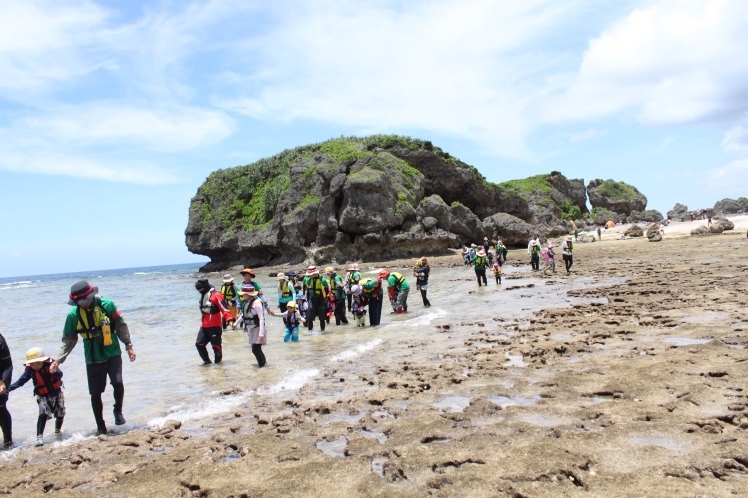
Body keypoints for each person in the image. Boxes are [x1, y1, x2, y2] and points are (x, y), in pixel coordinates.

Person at [52, 281, 136, 435]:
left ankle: (118, 411)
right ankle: (101, 426)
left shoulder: (107, 304)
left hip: (112, 352)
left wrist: (128, 345)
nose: (83, 304)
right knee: (95, 393)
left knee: (117, 382)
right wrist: (58, 360)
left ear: (91, 295)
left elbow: (120, 325)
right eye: (79, 302)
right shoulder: (73, 315)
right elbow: (69, 339)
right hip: (92, 357)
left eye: (85, 300)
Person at [8, 348, 64, 447]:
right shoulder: (30, 370)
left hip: (57, 393)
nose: (36, 366)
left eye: (38, 363)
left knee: (60, 414)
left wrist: (54, 372)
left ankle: (57, 431)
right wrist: (7, 389)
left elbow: (60, 375)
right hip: (42, 396)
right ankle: (39, 438)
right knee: (42, 415)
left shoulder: (50, 365)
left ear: (43, 360)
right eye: (33, 364)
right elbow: (21, 382)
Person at [194, 279, 233, 366]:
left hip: (215, 326)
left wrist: (229, 320)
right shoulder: (204, 296)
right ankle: (207, 362)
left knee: (216, 348)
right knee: (199, 344)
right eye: (198, 290)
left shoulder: (216, 295)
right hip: (204, 326)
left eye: (201, 289)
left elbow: (224, 308)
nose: (200, 292)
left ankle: (219, 367)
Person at [239, 286, 268, 367]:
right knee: (257, 349)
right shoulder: (248, 302)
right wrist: (235, 323)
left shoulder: (257, 303)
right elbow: (244, 316)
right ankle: (264, 365)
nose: (243, 296)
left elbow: (261, 318)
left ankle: (262, 367)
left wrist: (261, 333)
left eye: (244, 294)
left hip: (258, 329)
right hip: (251, 329)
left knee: (255, 349)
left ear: (248, 294)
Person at [302, 266, 330, 332]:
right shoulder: (308, 280)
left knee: (322, 317)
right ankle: (310, 331)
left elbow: (326, 290)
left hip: (321, 299)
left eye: (310, 275)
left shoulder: (323, 280)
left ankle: (322, 330)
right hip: (312, 299)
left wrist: (326, 299)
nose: (310, 276)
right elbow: (307, 289)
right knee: (309, 316)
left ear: (315, 273)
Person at [0, 332, 12, 448]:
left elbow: (8, 365)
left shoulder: (0, 340)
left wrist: (2, 382)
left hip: (1, 376)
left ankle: (8, 440)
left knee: (0, 406)